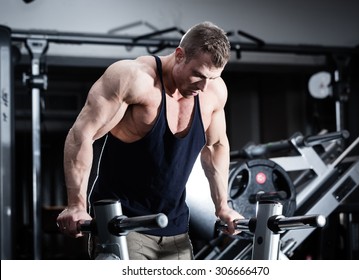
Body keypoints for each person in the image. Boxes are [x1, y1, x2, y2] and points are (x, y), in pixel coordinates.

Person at [56, 21, 243, 260]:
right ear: (179, 55)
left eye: (213, 77)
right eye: (198, 75)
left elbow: (216, 146)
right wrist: (76, 205)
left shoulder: (214, 91)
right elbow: (81, 134)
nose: (204, 86)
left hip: (175, 230)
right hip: (123, 225)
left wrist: (222, 207)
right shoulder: (133, 78)